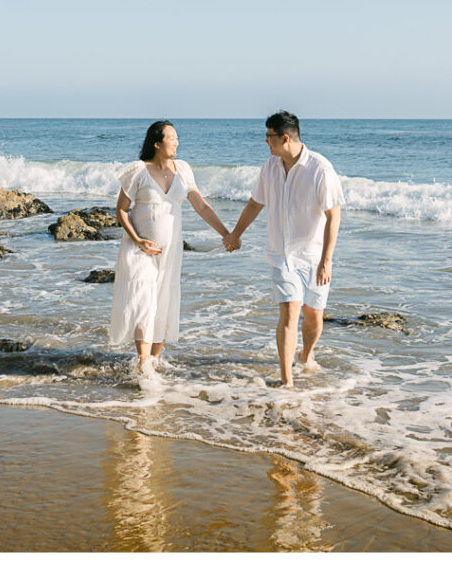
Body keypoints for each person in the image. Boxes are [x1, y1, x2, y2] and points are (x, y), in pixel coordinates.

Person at [223, 111, 344, 387]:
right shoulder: (270, 167)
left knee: (313, 315)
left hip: (313, 255)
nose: (266, 142)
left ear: (285, 138)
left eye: (269, 137)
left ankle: (307, 354)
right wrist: (235, 234)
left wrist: (326, 260)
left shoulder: (320, 168)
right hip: (281, 254)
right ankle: (286, 380)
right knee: (289, 312)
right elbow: (255, 203)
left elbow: (333, 215)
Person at [110, 120, 230, 375]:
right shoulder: (138, 171)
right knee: (143, 301)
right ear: (157, 143)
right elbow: (121, 210)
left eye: (176, 137)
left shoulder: (183, 170)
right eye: (171, 137)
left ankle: (154, 360)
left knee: (163, 301)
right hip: (139, 250)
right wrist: (138, 240)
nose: (176, 141)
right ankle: (143, 363)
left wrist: (227, 234)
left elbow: (201, 206)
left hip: (170, 252)